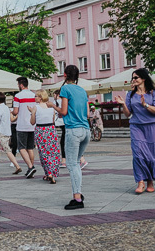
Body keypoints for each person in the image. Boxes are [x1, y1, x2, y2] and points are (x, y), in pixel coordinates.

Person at [114, 68, 155, 194]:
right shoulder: (130, 94)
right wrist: (123, 104)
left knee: (152, 155)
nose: (133, 80)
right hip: (136, 126)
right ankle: (141, 182)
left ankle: (150, 181)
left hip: (151, 127)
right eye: (132, 78)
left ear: (143, 79)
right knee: (138, 154)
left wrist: (146, 105)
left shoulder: (153, 93)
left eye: (136, 77)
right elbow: (128, 114)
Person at [48, 65, 89, 210]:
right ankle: (78, 193)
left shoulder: (65, 89)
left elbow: (64, 111)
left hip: (73, 130)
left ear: (65, 75)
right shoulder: (82, 90)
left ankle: (77, 198)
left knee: (72, 164)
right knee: (76, 163)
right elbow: (87, 113)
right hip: (86, 129)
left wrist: (53, 105)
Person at [29, 89, 60, 184]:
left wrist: (32, 112)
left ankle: (48, 173)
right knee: (53, 152)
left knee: (43, 152)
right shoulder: (51, 108)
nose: (34, 98)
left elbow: (32, 122)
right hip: (51, 130)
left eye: (36, 96)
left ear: (40, 97)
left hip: (40, 131)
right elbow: (53, 120)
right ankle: (51, 173)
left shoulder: (36, 107)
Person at [0, 92, 22, 175]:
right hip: (7, 131)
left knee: (7, 150)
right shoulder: (6, 108)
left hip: (1, 132)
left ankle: (17, 166)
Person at [12, 77, 37, 178]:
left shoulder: (18, 96)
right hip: (32, 124)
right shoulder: (34, 95)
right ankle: (30, 167)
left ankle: (30, 167)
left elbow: (15, 111)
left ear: (21, 85)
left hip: (22, 125)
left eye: (18, 84)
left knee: (21, 147)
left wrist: (11, 112)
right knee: (30, 147)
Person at [53, 90, 66, 167]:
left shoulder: (56, 102)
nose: (53, 96)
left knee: (63, 142)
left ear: (57, 95)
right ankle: (64, 160)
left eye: (54, 95)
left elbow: (54, 112)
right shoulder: (64, 101)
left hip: (61, 123)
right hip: (64, 123)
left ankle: (81, 159)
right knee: (65, 142)